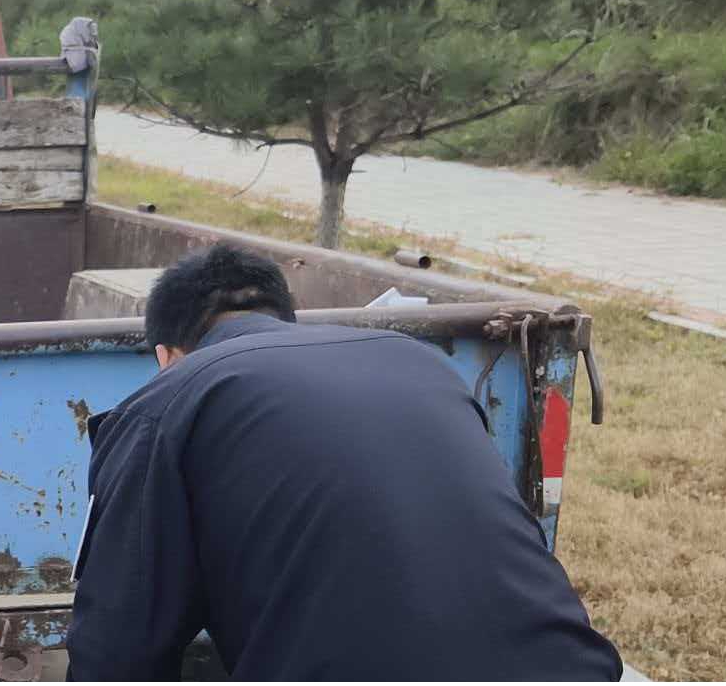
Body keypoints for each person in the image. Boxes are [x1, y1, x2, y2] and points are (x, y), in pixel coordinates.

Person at [66, 243, 621, 680]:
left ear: (166, 356)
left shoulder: (165, 402)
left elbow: (117, 648)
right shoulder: (423, 365)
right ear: (287, 321)